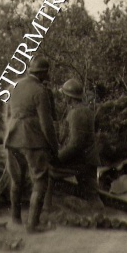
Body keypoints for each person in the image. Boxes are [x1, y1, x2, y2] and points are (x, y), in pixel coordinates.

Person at [4, 56, 59, 232]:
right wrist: (54, 145)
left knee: (16, 180)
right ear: (43, 73)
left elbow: (7, 116)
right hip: (32, 140)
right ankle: (33, 224)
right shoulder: (40, 91)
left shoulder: (14, 87)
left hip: (12, 138)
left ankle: (15, 219)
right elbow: (46, 123)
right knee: (40, 179)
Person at [45, 78, 102, 211]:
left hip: (82, 161)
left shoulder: (77, 113)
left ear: (68, 97)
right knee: (91, 194)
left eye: (64, 95)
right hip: (87, 159)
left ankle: (47, 208)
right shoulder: (84, 110)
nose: (64, 98)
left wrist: (58, 158)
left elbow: (75, 144)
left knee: (47, 170)